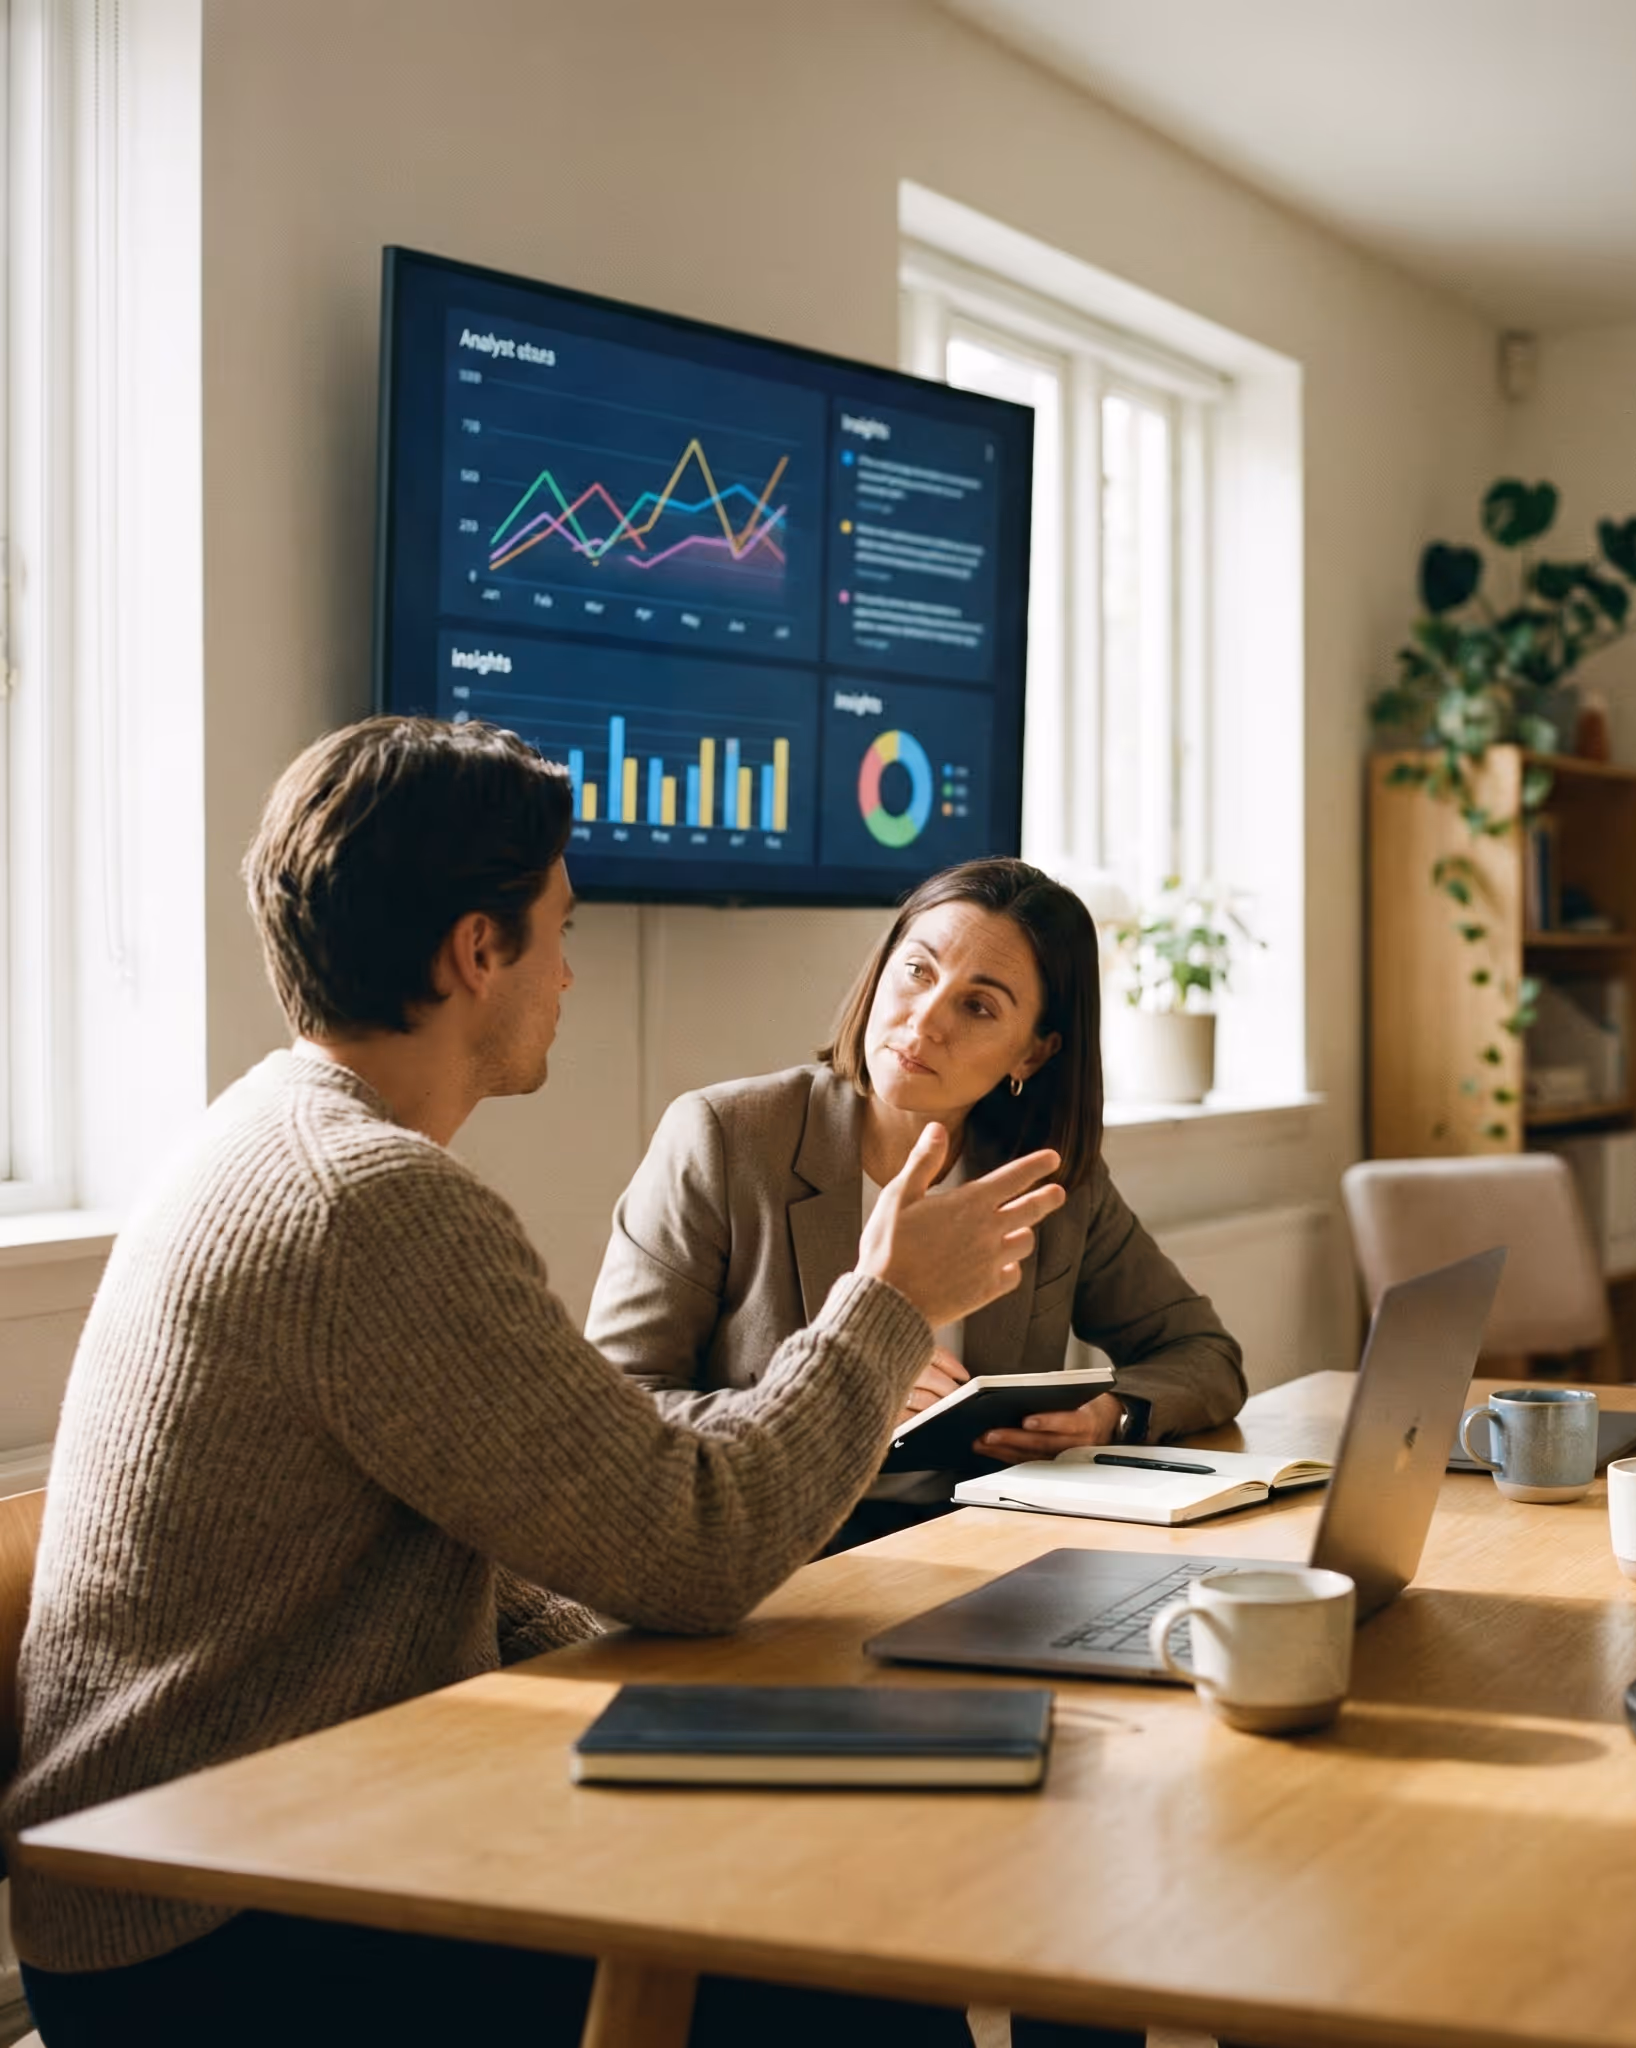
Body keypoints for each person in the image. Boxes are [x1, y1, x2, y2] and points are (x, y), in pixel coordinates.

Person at [1, 718, 1064, 2048]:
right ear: (477, 951)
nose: (570, 970)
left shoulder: (284, 1135)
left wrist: (736, 1718)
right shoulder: (368, 1203)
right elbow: (697, 1541)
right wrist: (894, 1300)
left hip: (250, 1849)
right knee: (844, 1960)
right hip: (208, 1931)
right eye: (558, 927)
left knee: (846, 1848)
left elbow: (529, 1541)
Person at [586, 855, 1247, 1551]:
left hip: (979, 1550)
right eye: (918, 971)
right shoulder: (727, 1139)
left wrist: (1109, 1416)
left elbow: (1204, 1355)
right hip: (775, 1561)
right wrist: (842, 1391)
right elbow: (612, 1415)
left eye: (979, 1005)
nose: (925, 1021)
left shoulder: (1048, 1181)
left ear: (1033, 1055)